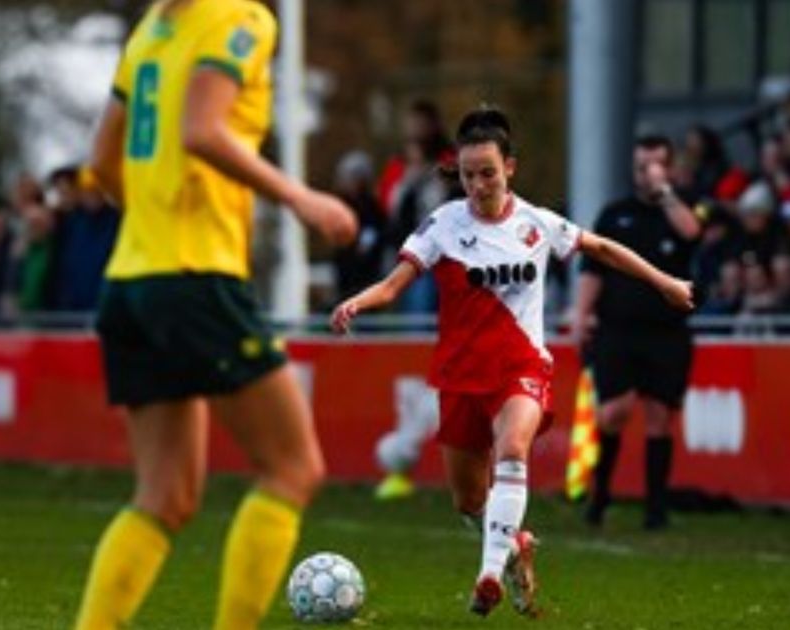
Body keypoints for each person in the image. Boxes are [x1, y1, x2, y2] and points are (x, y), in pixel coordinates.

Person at [330, 107, 692, 617]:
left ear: (510, 169)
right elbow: (393, 285)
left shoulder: (537, 223)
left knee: (513, 449)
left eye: (488, 173)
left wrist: (665, 282)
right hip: (460, 376)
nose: (477, 185)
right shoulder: (442, 225)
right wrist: (356, 304)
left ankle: (487, 574)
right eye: (468, 174)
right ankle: (516, 547)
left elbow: (604, 248)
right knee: (467, 500)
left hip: (521, 366)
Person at [72, 1, 357, 629]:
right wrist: (300, 197)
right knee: (292, 467)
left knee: (165, 497)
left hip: (130, 281)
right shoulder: (241, 18)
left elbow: (102, 161)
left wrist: (148, 222)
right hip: (195, 275)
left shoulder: (154, 25)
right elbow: (200, 130)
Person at [570, 136, 703, 532]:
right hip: (617, 330)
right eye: (641, 166)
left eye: (654, 165)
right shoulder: (615, 214)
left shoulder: (681, 208)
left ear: (669, 168)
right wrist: (581, 314)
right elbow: (593, 270)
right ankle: (601, 491)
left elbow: (692, 233)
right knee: (614, 411)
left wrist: (665, 193)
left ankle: (656, 508)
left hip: (667, 332)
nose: (646, 173)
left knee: (660, 417)